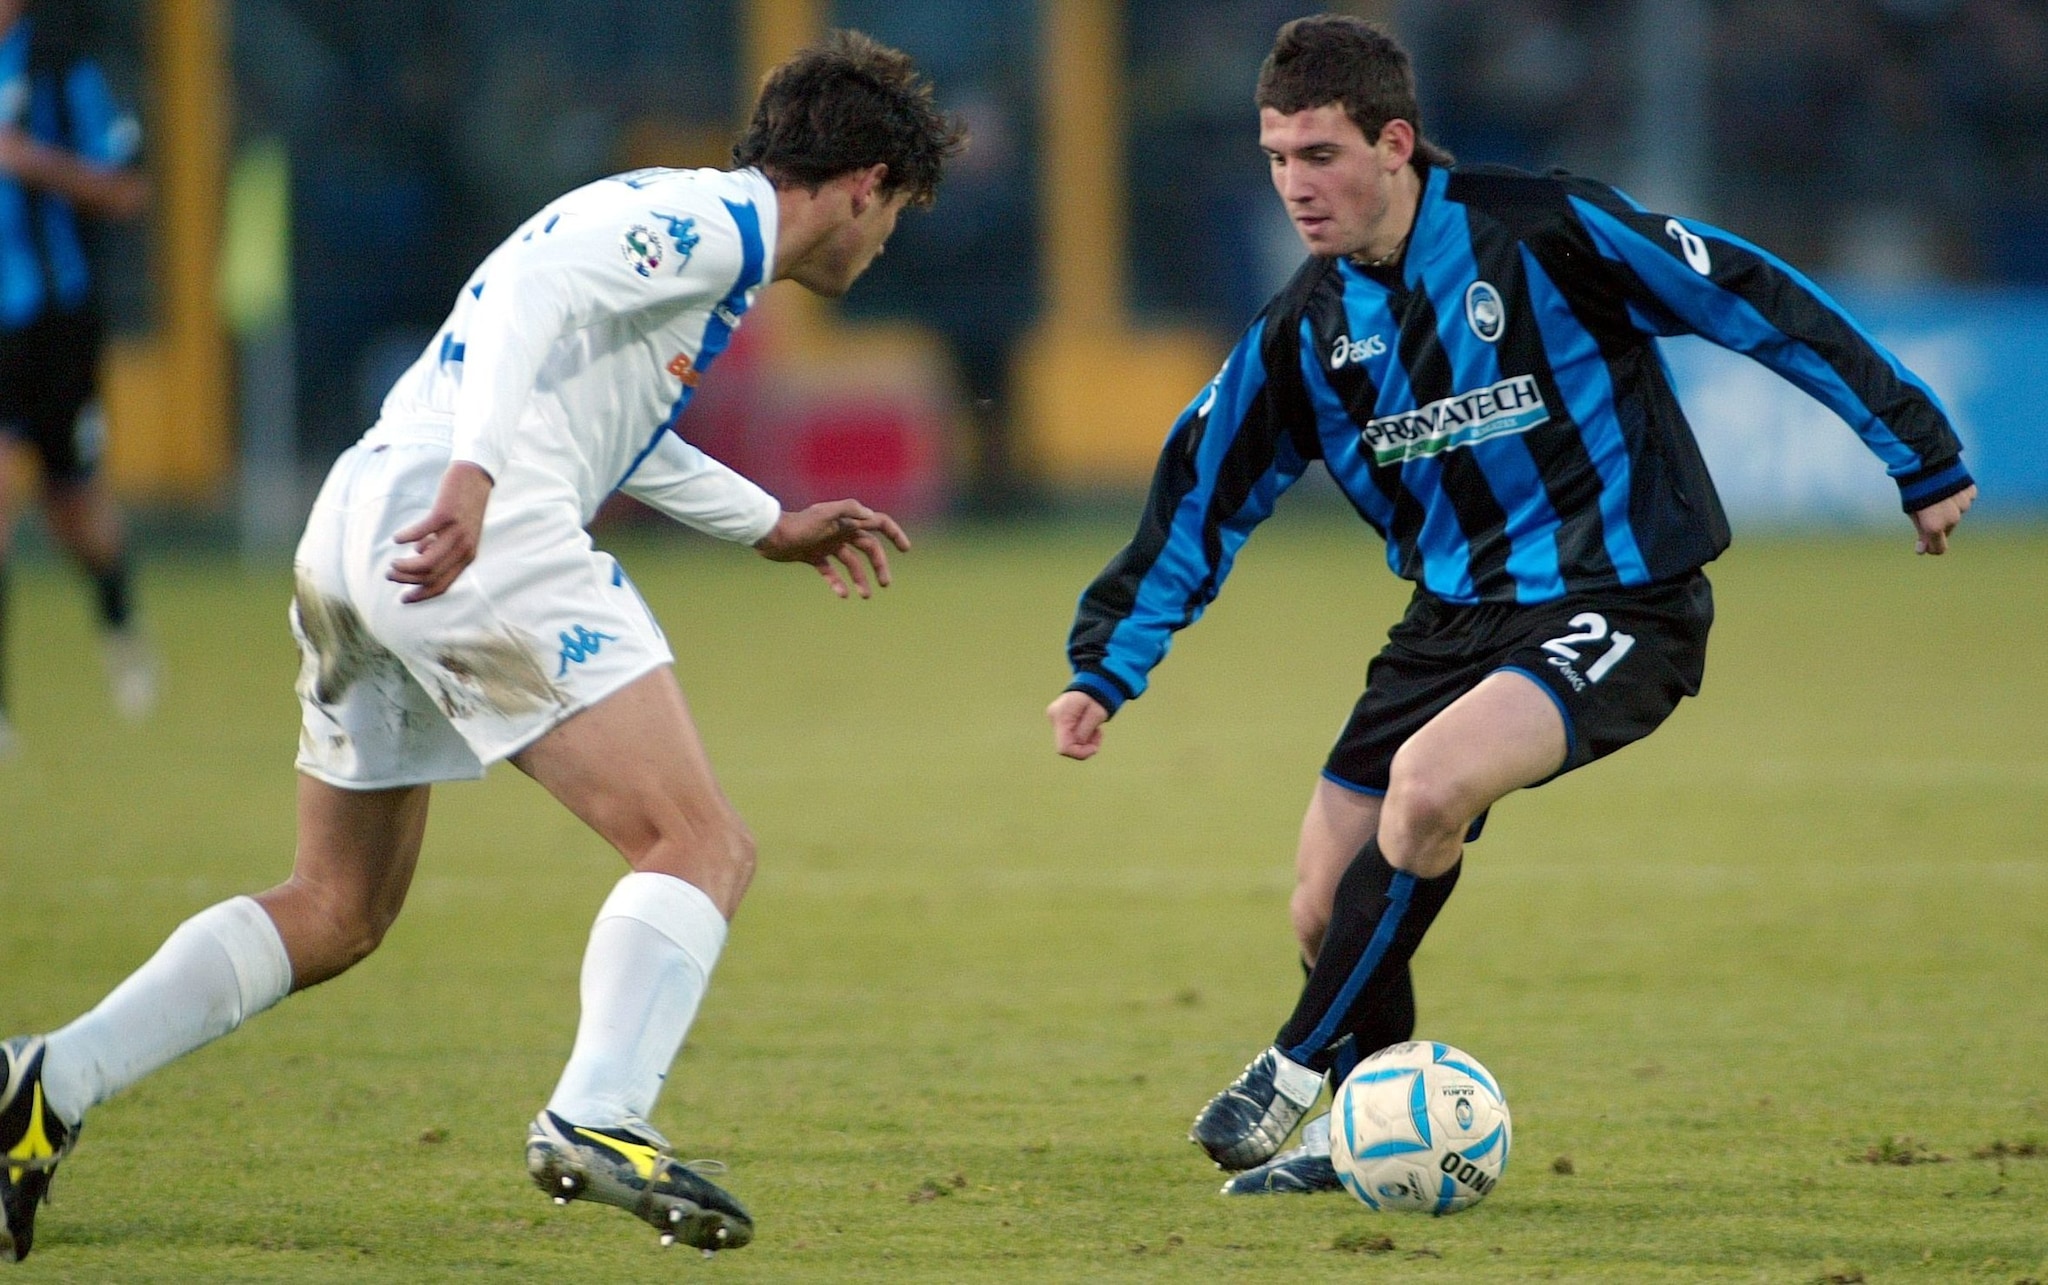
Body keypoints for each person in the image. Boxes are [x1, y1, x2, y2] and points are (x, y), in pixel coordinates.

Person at [0, 29, 964, 1262]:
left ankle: (47, 1078)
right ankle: (599, 1113)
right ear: (863, 185)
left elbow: (610, 422)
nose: (883, 246)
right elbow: (528, 296)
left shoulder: (681, 244)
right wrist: (473, 482)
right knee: (697, 842)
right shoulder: (715, 223)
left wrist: (766, 521)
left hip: (360, 525)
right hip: (463, 524)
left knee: (337, 905)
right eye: (896, 215)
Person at [1045, 13, 1975, 1198]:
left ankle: (1289, 1071)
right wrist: (1104, 668)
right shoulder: (1304, 329)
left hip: (1619, 599)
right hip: (1447, 623)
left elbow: (1746, 294)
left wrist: (1915, 448)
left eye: (1318, 155)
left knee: (1426, 789)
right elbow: (1198, 496)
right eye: (1275, 158)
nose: (1294, 186)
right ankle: (1363, 1135)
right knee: (1323, 898)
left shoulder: (1541, 228)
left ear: (1394, 142)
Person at [0, 0, 155, 756]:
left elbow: (128, 190)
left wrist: (32, 162)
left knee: (72, 503)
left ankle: (121, 624)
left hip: (56, 321)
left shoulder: (61, 70)